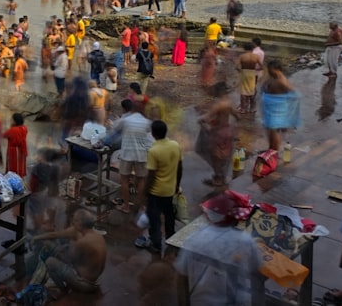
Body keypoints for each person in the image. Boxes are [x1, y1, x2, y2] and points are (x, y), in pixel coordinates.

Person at [175, 193, 262, 306]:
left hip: (201, 301)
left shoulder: (193, 239)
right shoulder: (246, 240)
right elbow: (256, 269)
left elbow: (181, 276)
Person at [19, 209, 106, 297]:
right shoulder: (97, 235)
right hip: (94, 277)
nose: (72, 223)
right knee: (50, 243)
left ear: (80, 224)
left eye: (75, 221)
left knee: (50, 262)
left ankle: (63, 291)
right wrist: (37, 237)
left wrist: (68, 244)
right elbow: (56, 234)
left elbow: (69, 260)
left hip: (86, 284)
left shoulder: (83, 242)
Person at [135, 121, 182, 255]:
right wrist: (177, 184)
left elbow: (151, 175)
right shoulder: (175, 145)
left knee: (154, 219)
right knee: (169, 216)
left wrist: (143, 193)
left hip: (156, 192)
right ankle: (171, 238)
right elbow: (180, 167)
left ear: (154, 134)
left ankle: (156, 244)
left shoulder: (154, 151)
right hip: (170, 190)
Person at [104, 99, 150, 215]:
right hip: (141, 155)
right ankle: (140, 206)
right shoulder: (147, 122)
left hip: (127, 154)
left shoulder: (125, 120)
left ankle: (126, 206)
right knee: (141, 180)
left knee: (124, 180)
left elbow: (114, 128)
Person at [195, 100, 237, 188]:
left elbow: (206, 118)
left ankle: (218, 179)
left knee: (216, 158)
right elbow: (237, 116)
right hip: (227, 132)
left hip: (218, 134)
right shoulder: (228, 103)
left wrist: (201, 121)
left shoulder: (218, 106)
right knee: (224, 156)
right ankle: (222, 177)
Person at [236, 44, 261, 114]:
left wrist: (241, 71)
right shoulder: (256, 56)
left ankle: (243, 109)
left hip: (244, 73)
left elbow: (237, 67)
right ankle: (252, 108)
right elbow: (261, 67)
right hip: (252, 73)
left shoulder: (242, 56)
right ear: (252, 49)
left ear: (244, 49)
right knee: (252, 91)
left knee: (243, 91)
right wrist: (255, 70)